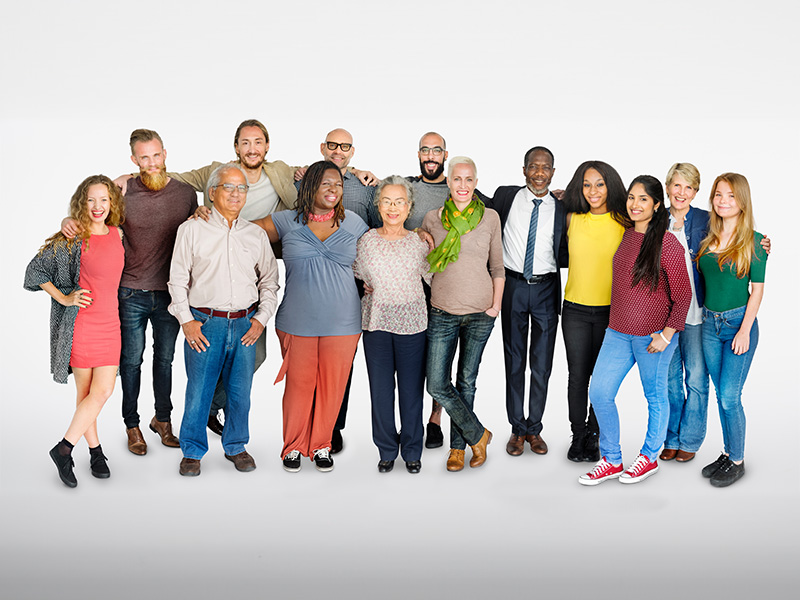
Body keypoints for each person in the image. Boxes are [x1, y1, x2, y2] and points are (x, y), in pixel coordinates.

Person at [63, 129, 198, 455]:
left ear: (165, 154)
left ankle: (162, 420)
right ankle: (132, 425)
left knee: (164, 360)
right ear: (134, 160)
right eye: (144, 157)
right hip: (129, 293)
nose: (151, 163)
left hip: (169, 294)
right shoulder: (121, 192)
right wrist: (69, 219)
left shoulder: (185, 193)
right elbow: (93, 209)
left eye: (156, 155)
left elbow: (197, 232)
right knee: (131, 363)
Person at [251, 161, 368, 473]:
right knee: (299, 386)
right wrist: (206, 214)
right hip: (297, 320)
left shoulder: (354, 223)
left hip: (344, 322)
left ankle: (321, 445)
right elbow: (242, 229)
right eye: (326, 184)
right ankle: (293, 446)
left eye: (338, 185)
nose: (333, 190)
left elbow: (382, 245)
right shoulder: (287, 221)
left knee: (332, 387)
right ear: (310, 186)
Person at [168, 163, 279, 477]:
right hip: (205, 323)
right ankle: (192, 450)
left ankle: (236, 446)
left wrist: (261, 319)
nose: (235, 194)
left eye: (242, 188)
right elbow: (177, 280)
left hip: (245, 324)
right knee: (199, 389)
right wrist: (186, 321)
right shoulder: (191, 229)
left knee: (240, 391)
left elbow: (270, 281)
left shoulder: (255, 234)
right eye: (228, 187)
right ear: (212, 192)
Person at [579, 175, 691, 486]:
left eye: (643, 199)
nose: (635, 204)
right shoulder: (627, 235)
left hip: (654, 336)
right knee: (600, 392)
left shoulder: (667, 243)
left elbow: (683, 294)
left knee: (655, 397)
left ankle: (649, 456)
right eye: (631, 197)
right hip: (617, 332)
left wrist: (667, 334)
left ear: (657, 205)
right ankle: (612, 459)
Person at [26, 175, 125, 487]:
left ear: (113, 203)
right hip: (81, 324)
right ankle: (95, 452)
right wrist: (65, 297)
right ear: (83, 203)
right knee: (86, 395)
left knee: (102, 391)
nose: (97, 206)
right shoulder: (73, 238)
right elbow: (34, 271)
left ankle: (64, 448)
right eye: (91, 200)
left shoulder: (119, 234)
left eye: (104, 200)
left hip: (111, 324)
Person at [295, 128, 379, 454]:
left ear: (352, 151)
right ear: (323, 148)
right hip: (310, 279)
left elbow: (376, 230)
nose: (339, 151)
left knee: (340, 360)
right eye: (333, 145)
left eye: (345, 147)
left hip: (351, 281)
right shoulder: (302, 181)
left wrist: (371, 275)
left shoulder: (365, 185)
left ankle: (332, 426)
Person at [420, 156, 503, 471]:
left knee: (466, 380)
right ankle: (478, 435)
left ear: (476, 183)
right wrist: (418, 236)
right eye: (457, 179)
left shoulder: (490, 218)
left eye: (469, 180)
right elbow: (424, 257)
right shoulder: (432, 218)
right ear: (448, 182)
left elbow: (497, 266)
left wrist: (495, 306)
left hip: (481, 313)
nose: (463, 185)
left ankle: (457, 450)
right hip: (442, 311)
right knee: (437, 383)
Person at [486, 147, 568, 457]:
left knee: (542, 364)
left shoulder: (562, 207)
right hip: (513, 287)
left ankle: (535, 428)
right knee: (514, 360)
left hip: (546, 289)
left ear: (552, 172)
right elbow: (468, 194)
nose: (538, 172)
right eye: (533, 166)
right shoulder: (506, 197)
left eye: (545, 167)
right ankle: (517, 429)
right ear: (523, 170)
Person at [353, 176, 431, 473]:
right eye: (387, 201)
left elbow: (434, 279)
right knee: (381, 393)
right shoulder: (367, 241)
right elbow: (355, 278)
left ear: (409, 207)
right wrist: (362, 289)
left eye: (400, 202)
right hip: (376, 325)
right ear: (378, 205)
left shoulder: (419, 242)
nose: (393, 207)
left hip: (413, 325)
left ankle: (412, 450)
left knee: (411, 393)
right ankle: (386, 449)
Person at [697, 173, 766, 487]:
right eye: (718, 194)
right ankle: (727, 452)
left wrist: (744, 331)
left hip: (740, 324)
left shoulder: (755, 241)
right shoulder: (707, 237)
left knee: (729, 395)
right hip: (709, 325)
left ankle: (737, 460)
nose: (723, 201)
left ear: (742, 202)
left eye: (731, 196)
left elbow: (758, 289)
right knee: (720, 393)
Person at [560, 161, 630, 462]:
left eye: (599, 183)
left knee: (602, 380)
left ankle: (594, 434)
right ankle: (578, 436)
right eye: (587, 184)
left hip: (611, 314)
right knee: (577, 377)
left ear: (610, 185)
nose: (593, 191)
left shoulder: (625, 220)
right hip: (574, 310)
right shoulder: (571, 218)